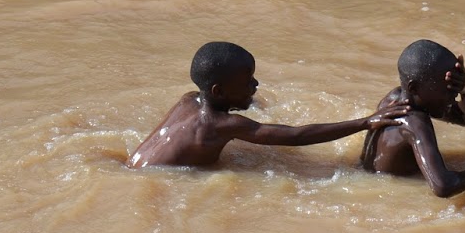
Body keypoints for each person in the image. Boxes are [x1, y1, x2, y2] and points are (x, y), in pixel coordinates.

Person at [127, 41, 408, 169]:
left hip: (136, 165)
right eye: (248, 81)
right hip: (160, 178)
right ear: (219, 91)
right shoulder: (220, 125)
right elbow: (294, 136)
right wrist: (365, 121)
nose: (256, 84)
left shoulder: (190, 99)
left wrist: (247, 100)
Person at [359, 39, 465, 198]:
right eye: (446, 89)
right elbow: (443, 186)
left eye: (454, 88)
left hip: (366, 179)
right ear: (414, 88)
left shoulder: (395, 98)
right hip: (386, 194)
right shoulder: (415, 123)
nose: (454, 95)